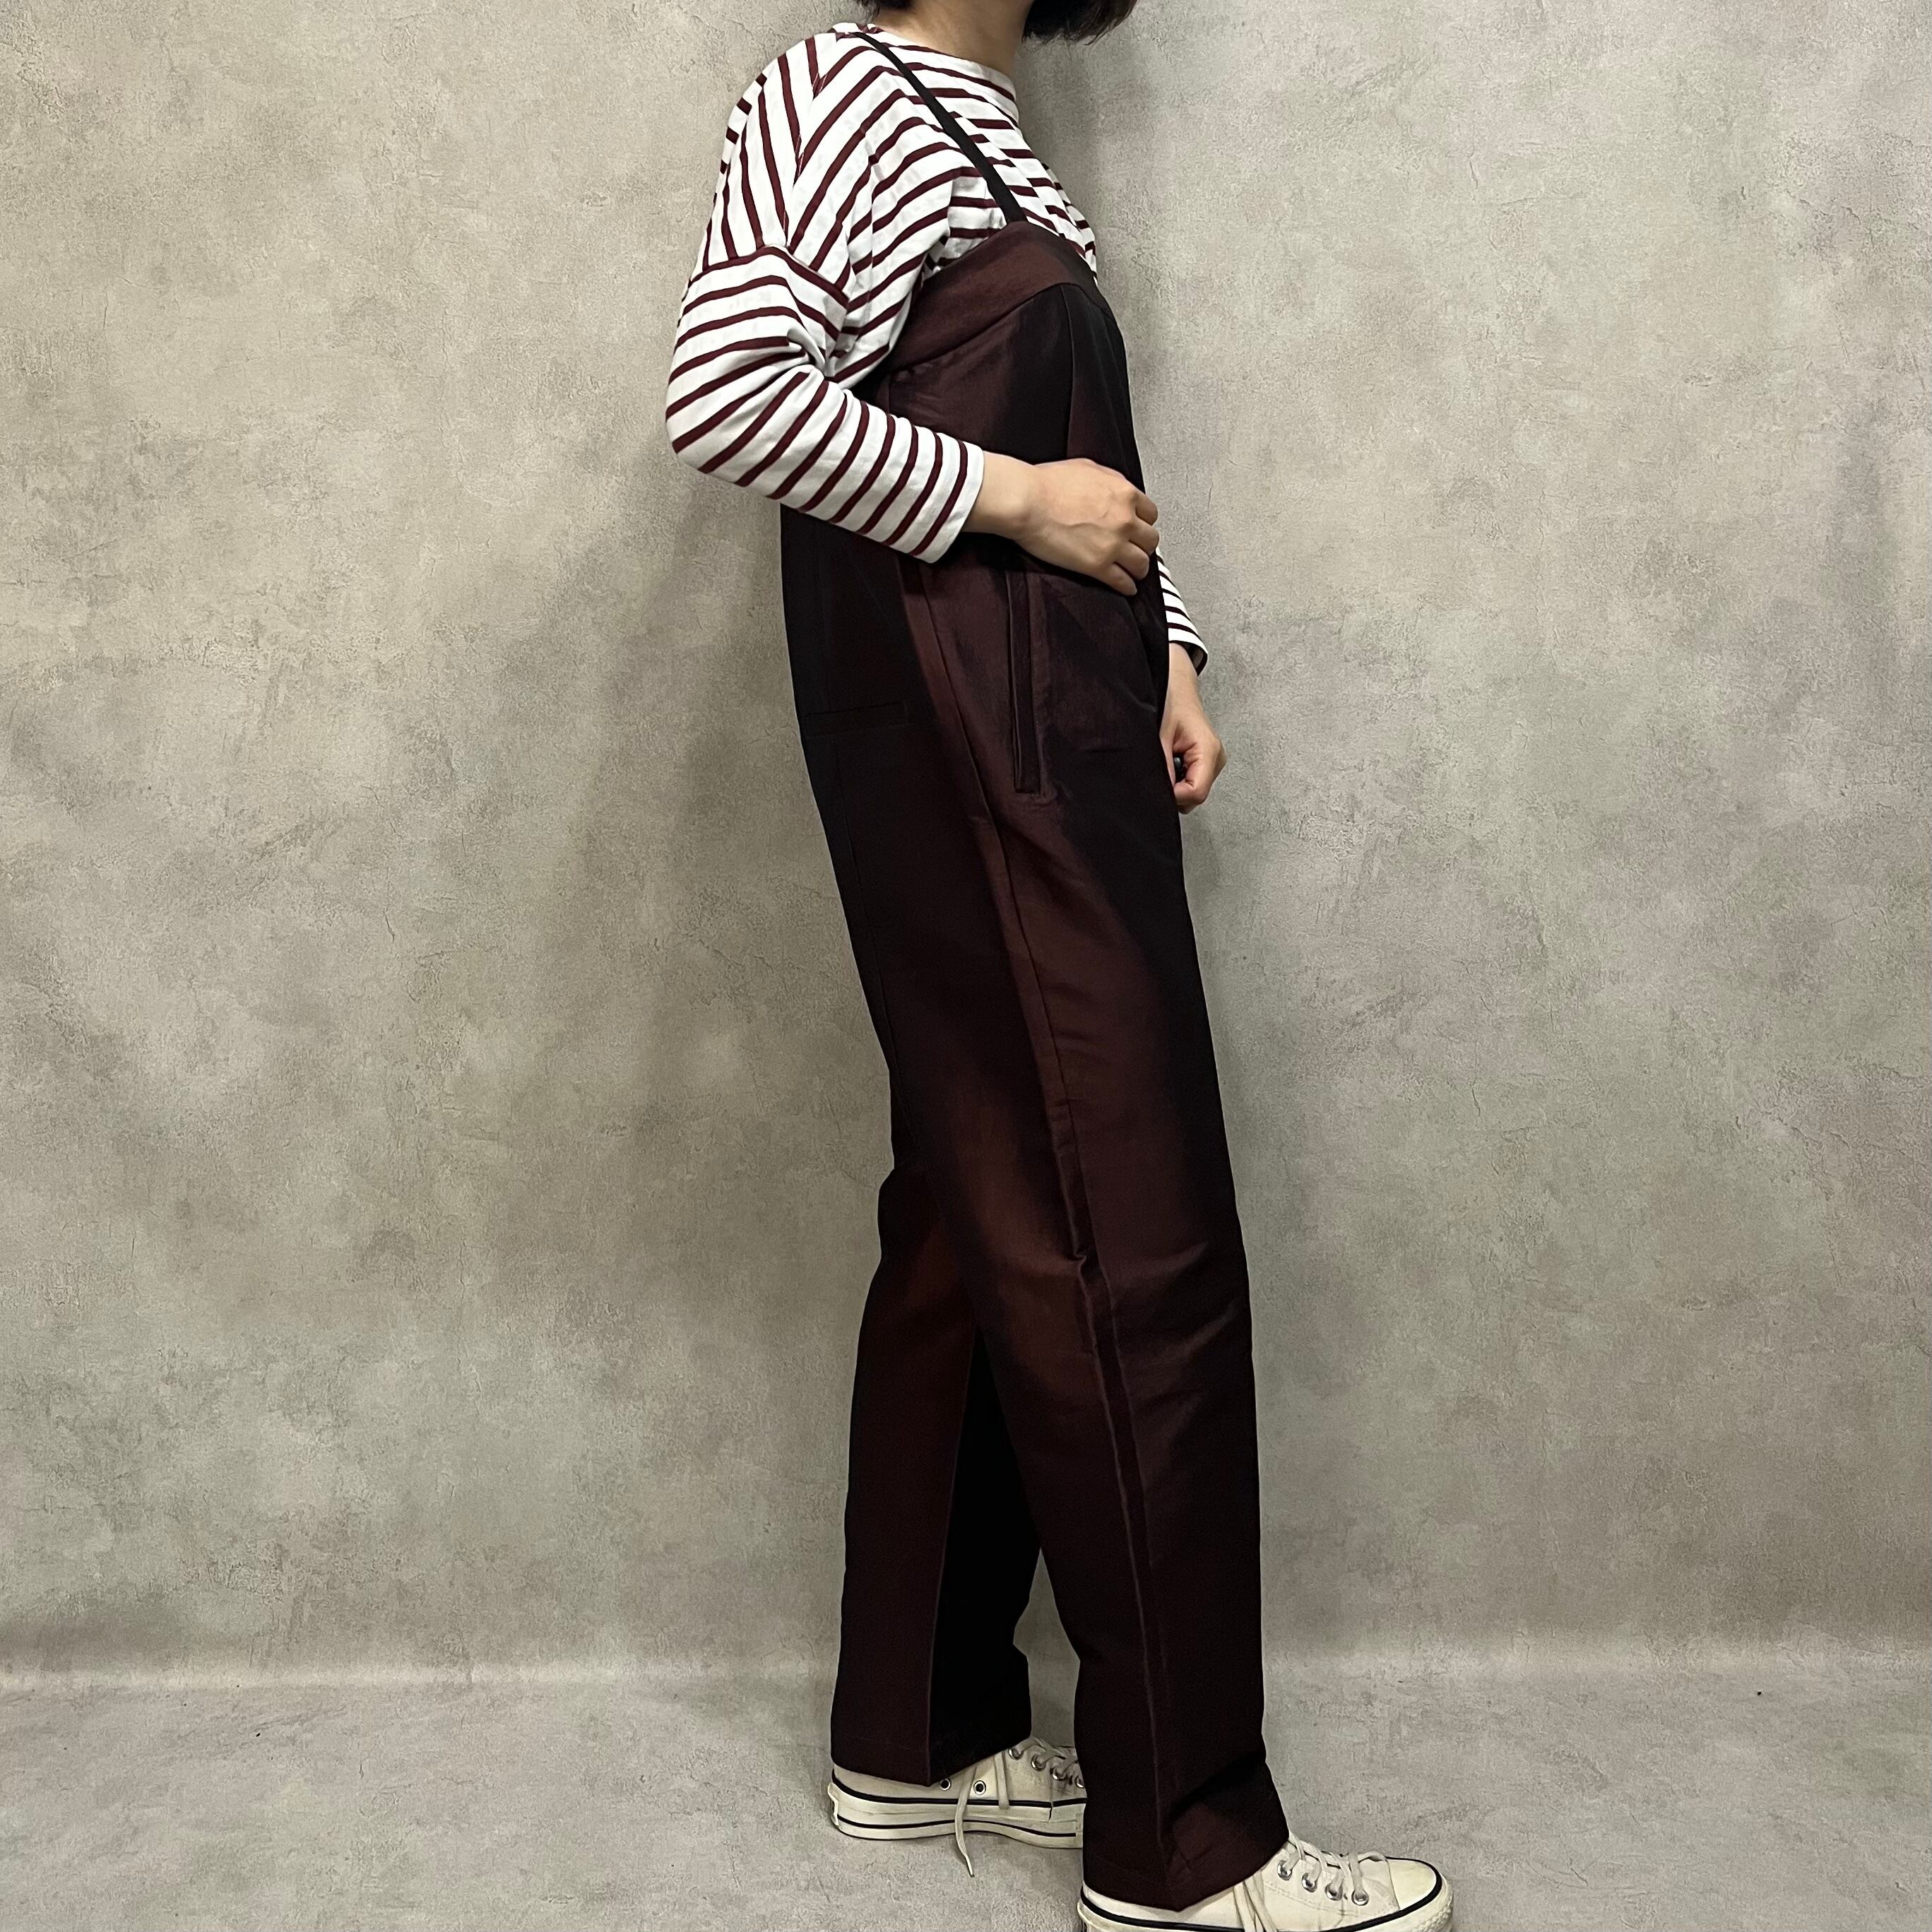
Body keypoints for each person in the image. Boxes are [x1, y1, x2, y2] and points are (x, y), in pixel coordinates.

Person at [665, 6, 1454, 1928]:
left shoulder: (994, 129)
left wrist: (1165, 641)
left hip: (1061, 721)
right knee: (1126, 1226)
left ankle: (918, 1732)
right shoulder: (841, 85)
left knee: (981, 1208)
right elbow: (730, 390)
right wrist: (1018, 504)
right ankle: (1192, 1842)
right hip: (978, 744)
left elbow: (1090, 469)